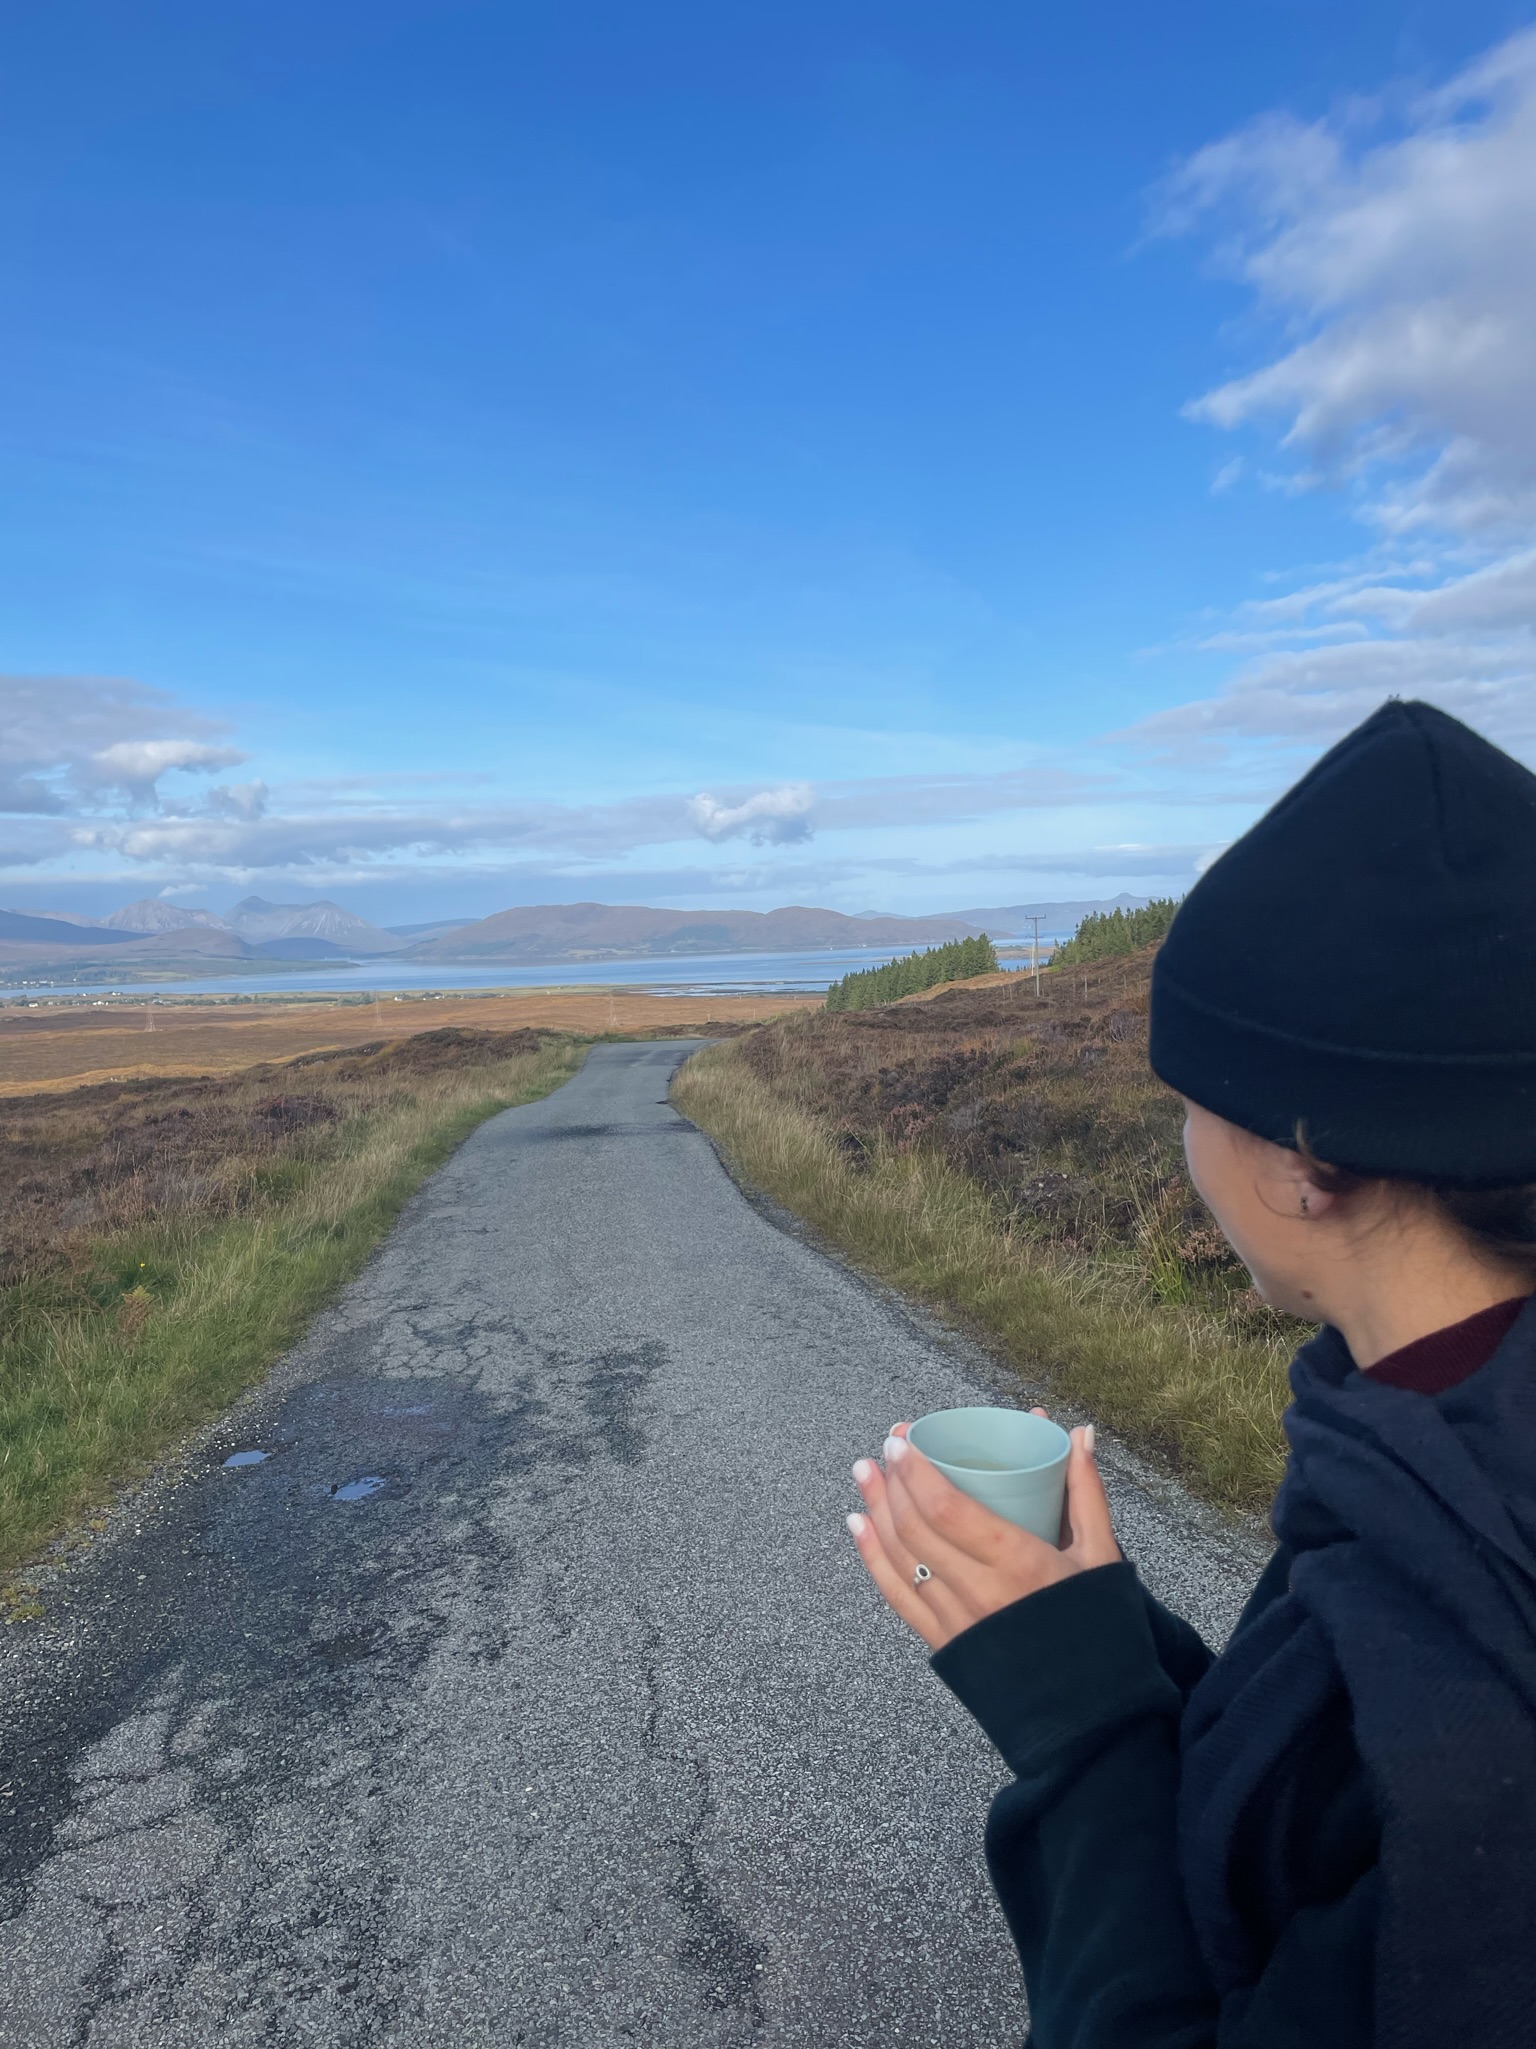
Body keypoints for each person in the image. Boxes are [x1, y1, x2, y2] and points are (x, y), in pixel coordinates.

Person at [845, 700, 1536, 2049]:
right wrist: (1113, 1633)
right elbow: (1328, 1810)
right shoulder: (1437, 1438)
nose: (1182, 1144)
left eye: (1193, 1098)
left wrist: (1088, 1727)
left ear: (1305, 1156)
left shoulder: (1483, 1741)